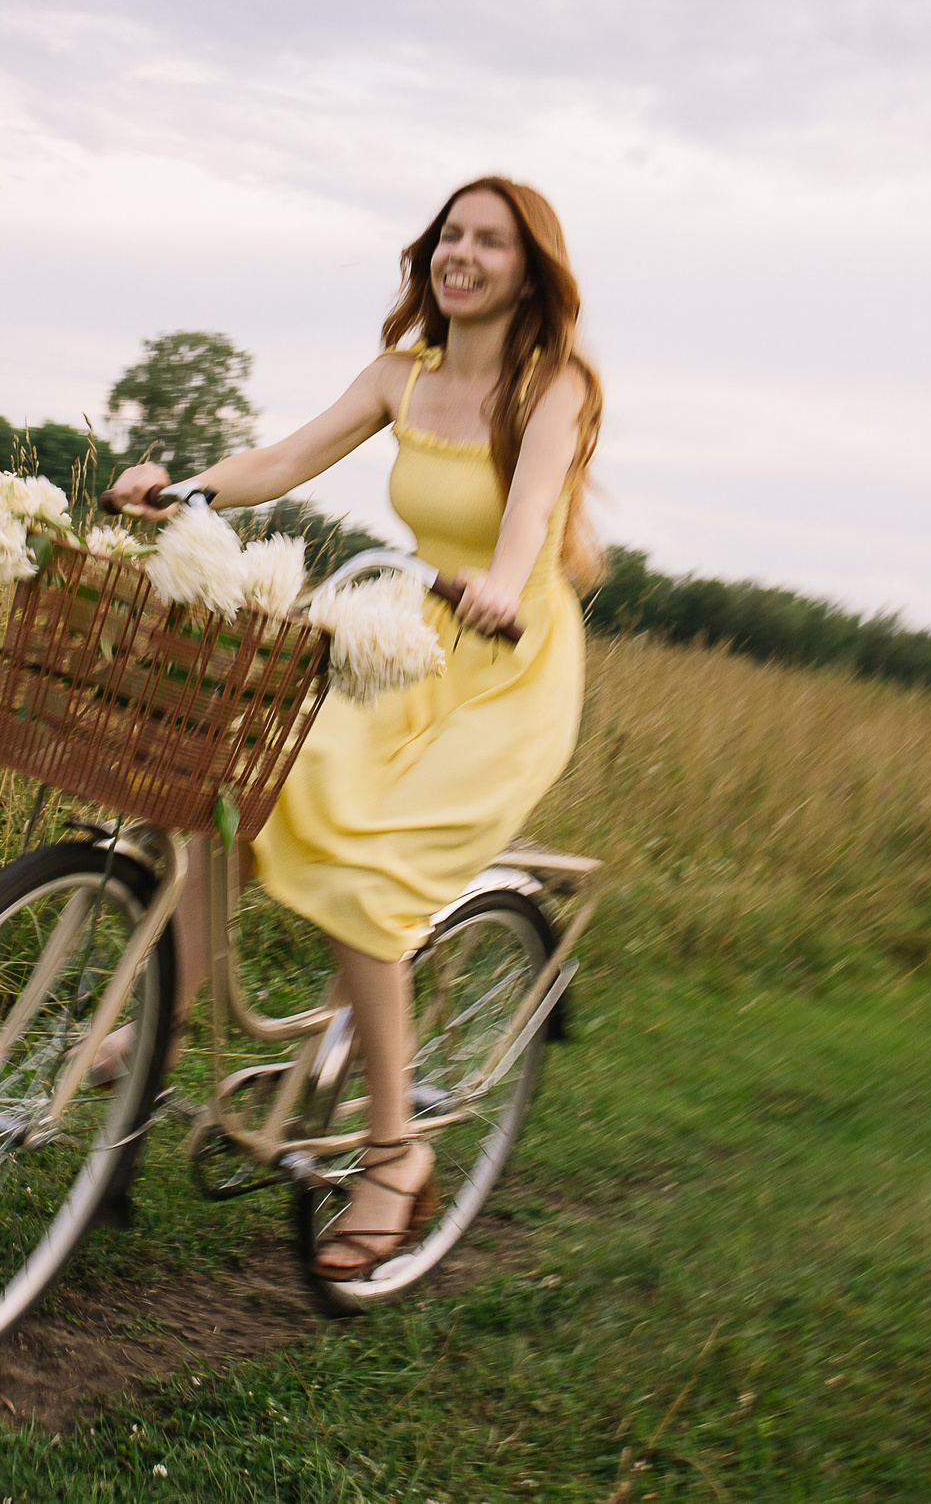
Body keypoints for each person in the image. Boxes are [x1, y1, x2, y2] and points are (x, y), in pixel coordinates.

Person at [100, 175, 604, 1280]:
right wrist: (180, 494)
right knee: (237, 769)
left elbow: (527, 520)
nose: (461, 256)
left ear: (529, 270)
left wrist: (504, 586)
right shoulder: (399, 376)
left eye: (489, 243)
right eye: (449, 238)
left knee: (369, 875)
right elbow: (282, 460)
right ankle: (172, 1017)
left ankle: (394, 1150)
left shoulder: (550, 384)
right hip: (407, 640)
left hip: (506, 659)